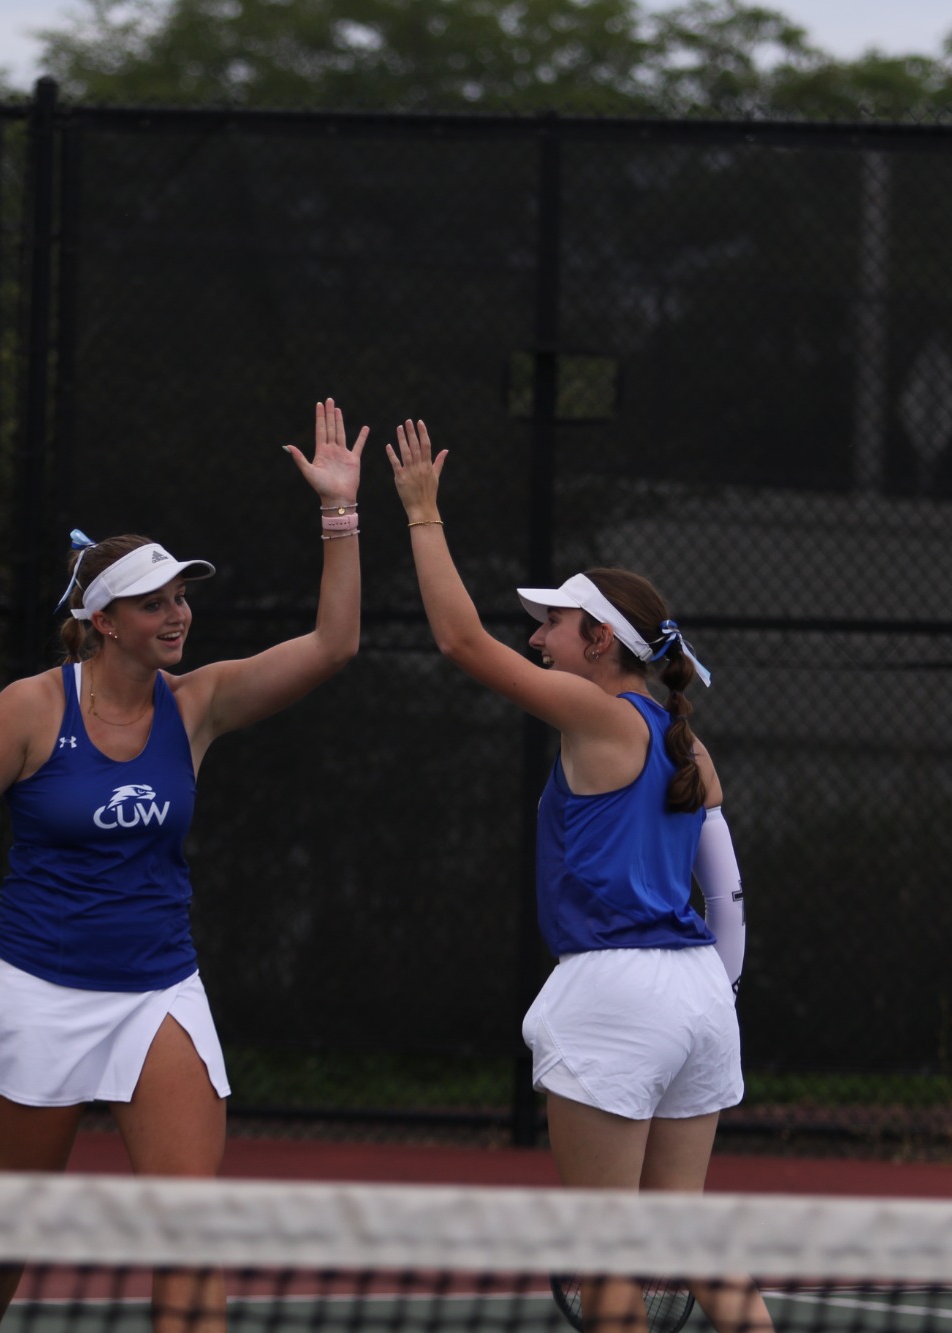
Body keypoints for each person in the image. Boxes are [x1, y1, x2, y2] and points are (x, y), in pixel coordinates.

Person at [0, 399, 366, 1333]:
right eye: (156, 602)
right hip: (37, 988)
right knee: (8, 1239)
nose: (179, 615)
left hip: (158, 990)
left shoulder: (198, 704)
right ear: (104, 620)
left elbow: (334, 645)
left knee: (188, 1241)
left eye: (181, 598)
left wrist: (339, 513)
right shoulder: (29, 710)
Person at [386, 419, 772, 1333]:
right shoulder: (687, 741)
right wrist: (716, 983)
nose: (538, 633)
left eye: (554, 623)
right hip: (699, 1001)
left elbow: (460, 641)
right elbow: (730, 895)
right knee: (688, 1230)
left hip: (617, 993)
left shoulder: (597, 716)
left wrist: (422, 514)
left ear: (601, 642)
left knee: (606, 1256)